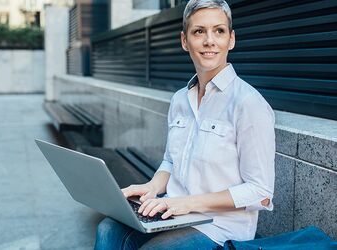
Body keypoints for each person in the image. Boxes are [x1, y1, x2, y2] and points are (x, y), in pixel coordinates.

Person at [94, 0, 275, 249]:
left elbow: (261, 193)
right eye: (199, 31)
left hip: (220, 227)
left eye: (219, 31)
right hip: (176, 212)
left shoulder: (248, 103)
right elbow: (170, 161)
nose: (209, 40)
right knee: (108, 229)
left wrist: (186, 203)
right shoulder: (180, 99)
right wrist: (151, 187)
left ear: (231, 40)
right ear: (184, 41)